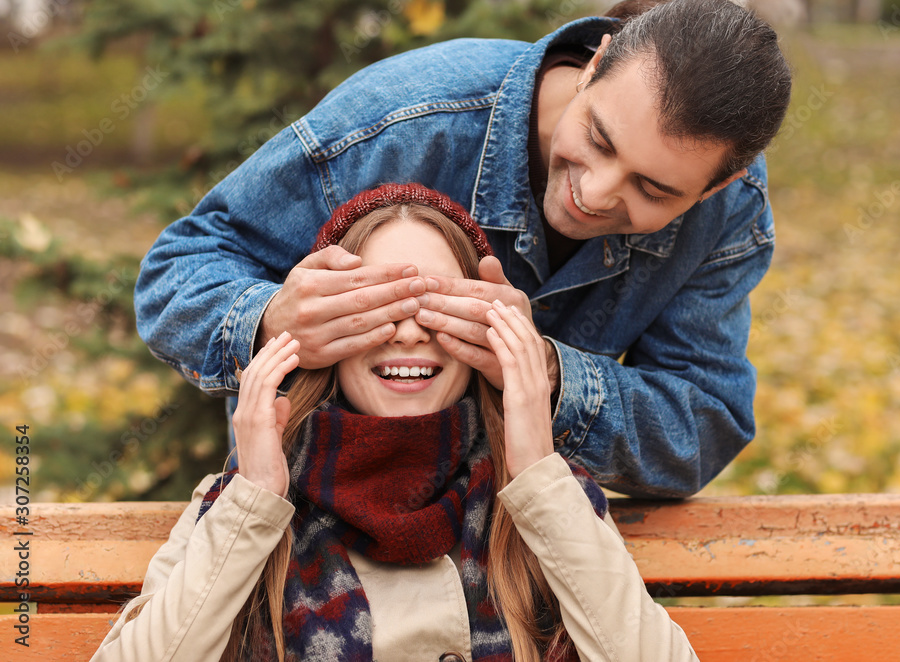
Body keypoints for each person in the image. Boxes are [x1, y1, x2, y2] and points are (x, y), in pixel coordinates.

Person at [134, 0, 792, 498]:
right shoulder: (402, 120)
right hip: (311, 535)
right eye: (598, 139)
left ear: (720, 186)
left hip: (518, 560)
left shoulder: (731, 212)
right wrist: (272, 319)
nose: (594, 193)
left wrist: (547, 376)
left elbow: (700, 427)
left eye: (651, 188)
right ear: (597, 61)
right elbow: (175, 274)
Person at [92, 184, 699, 661]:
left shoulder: (546, 494)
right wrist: (253, 503)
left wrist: (540, 472)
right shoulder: (244, 498)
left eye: (437, 309)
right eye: (375, 308)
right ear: (325, 333)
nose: (409, 331)